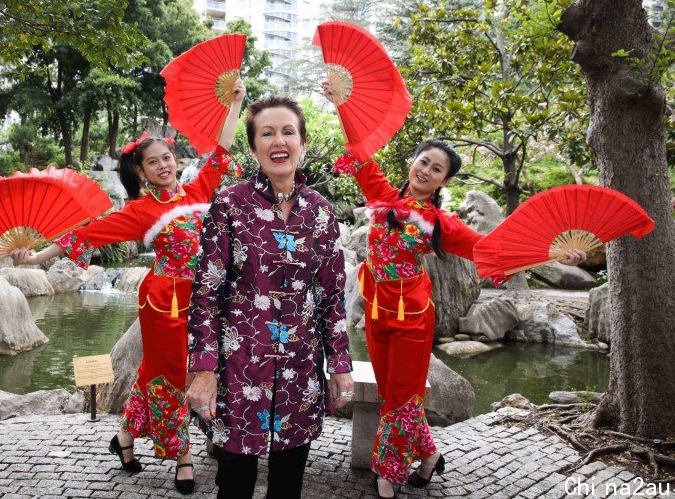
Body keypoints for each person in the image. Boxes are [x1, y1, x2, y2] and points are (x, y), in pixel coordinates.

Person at [323, 79, 587, 497]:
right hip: (374, 311)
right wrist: (341, 104)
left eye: (436, 169)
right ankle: (428, 456)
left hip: (411, 317)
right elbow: (360, 151)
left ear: (443, 180)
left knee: (402, 397)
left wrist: (554, 254)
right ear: (412, 161)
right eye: (423, 162)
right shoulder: (382, 196)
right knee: (394, 392)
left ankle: (388, 472)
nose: (425, 171)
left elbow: (494, 250)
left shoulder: (442, 225)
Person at [11, 80, 246, 495]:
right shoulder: (140, 212)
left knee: (183, 371)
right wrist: (35, 259)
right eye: (153, 162)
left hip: (205, 301)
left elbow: (222, 150)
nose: (163, 166)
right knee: (172, 374)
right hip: (164, 302)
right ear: (141, 170)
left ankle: (124, 438)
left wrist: (235, 104)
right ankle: (183, 455)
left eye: (168, 158)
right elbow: (87, 234)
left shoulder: (197, 192)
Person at [186, 96, 355, 499]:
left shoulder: (321, 212)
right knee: (235, 482)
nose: (278, 141)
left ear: (303, 143)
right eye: (267, 133)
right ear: (253, 146)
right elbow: (206, 292)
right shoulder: (229, 204)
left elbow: (332, 296)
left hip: (300, 367)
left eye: (287, 131)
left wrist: (340, 364)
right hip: (238, 368)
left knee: (288, 484)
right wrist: (204, 370)